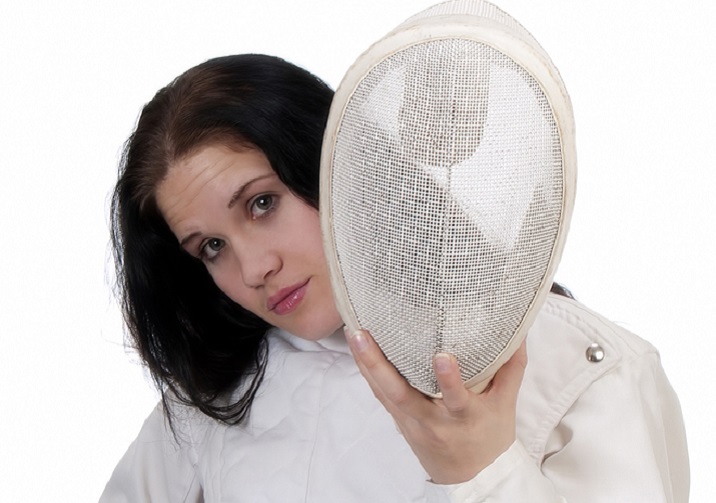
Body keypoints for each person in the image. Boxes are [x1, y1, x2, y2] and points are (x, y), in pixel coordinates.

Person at [100, 54, 689, 502]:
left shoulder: (586, 370)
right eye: (211, 247)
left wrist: (482, 471)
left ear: (340, 164)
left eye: (261, 203)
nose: (254, 269)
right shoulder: (214, 404)